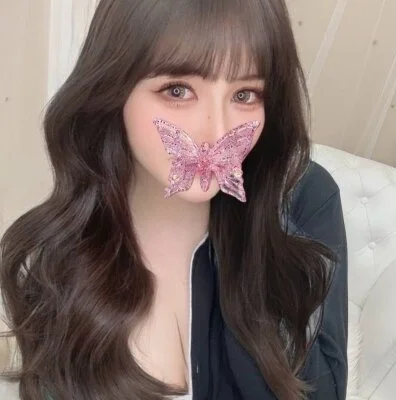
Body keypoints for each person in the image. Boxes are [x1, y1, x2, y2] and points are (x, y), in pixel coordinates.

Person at [0, 0, 348, 399]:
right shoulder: (55, 258)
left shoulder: (303, 199)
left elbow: (324, 391)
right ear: (113, 89)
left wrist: (258, 244)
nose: (216, 132)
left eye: (245, 94)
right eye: (178, 90)